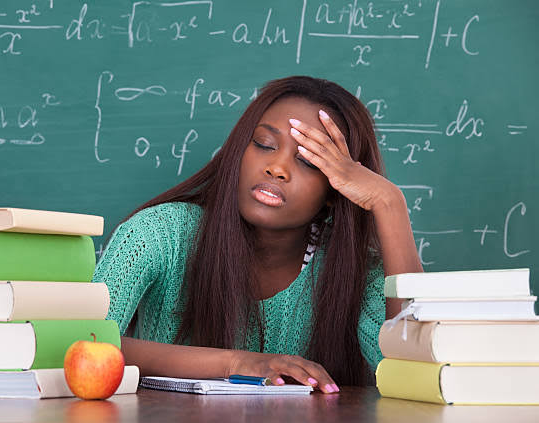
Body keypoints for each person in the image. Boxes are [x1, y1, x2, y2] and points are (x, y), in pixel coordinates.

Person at [93, 75, 422, 394]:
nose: (277, 168)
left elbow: (416, 372)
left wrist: (389, 203)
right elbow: (85, 340)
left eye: (309, 161)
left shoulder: (358, 273)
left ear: (335, 191)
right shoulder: (157, 234)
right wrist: (236, 363)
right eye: (264, 144)